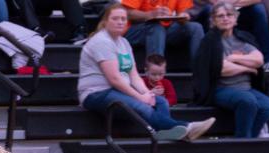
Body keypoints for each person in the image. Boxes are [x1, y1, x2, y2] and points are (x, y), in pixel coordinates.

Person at [78, 3, 215, 141]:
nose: (120, 22)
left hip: (116, 91)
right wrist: (140, 97)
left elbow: (133, 75)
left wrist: (146, 93)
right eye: (115, 18)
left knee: (160, 101)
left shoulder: (123, 42)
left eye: (123, 19)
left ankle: (164, 133)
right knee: (142, 106)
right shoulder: (101, 41)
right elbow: (114, 79)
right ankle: (186, 128)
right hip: (97, 93)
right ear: (105, 21)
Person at [193, 1, 269, 137]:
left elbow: (259, 60)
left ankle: (251, 137)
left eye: (229, 15)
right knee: (247, 101)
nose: (225, 18)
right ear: (213, 21)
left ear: (235, 19)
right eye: (220, 16)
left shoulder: (243, 38)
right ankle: (242, 140)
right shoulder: (209, 42)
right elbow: (221, 69)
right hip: (221, 89)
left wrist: (233, 59)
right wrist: (248, 69)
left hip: (246, 88)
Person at [122, 0, 204, 58]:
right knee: (156, 27)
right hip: (135, 30)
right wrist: (150, 14)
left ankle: (200, 74)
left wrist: (183, 15)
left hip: (166, 28)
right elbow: (127, 12)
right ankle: (155, 78)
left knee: (195, 28)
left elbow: (183, 11)